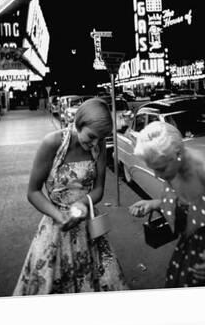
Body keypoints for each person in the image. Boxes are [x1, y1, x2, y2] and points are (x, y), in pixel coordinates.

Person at [14, 98, 127, 295]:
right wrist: (59, 217)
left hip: (89, 226)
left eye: (99, 139)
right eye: (91, 136)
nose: (93, 144)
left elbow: (99, 190)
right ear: (78, 123)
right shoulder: (52, 143)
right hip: (56, 226)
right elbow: (33, 192)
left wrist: (84, 203)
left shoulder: (98, 146)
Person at [129, 122, 205, 288]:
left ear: (178, 153)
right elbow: (192, 207)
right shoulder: (175, 165)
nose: (156, 175)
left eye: (161, 168)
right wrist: (153, 204)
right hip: (190, 252)